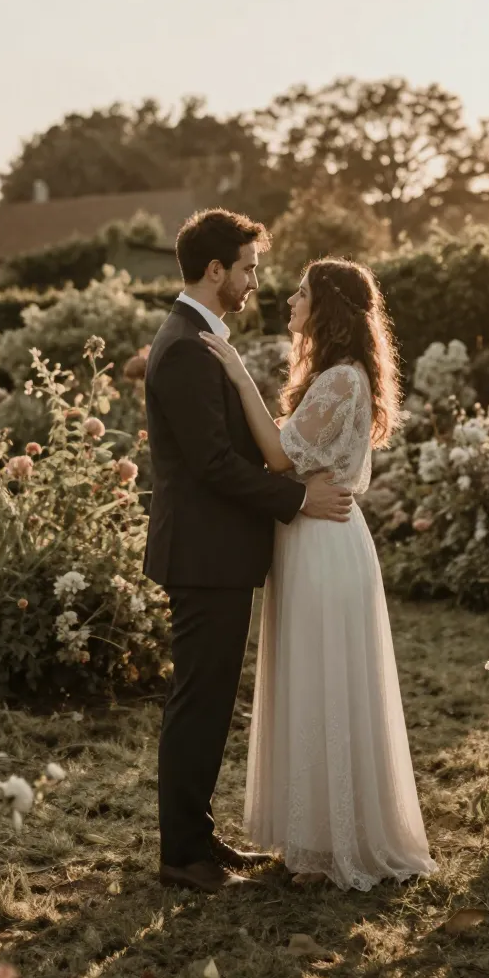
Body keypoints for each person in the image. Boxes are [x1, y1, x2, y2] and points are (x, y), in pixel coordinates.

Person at [200, 257, 437, 891]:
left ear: (326, 305)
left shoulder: (338, 381)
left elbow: (278, 454)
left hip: (323, 543)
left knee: (325, 680)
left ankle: (336, 847)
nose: (288, 301)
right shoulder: (340, 378)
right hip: (315, 537)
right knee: (313, 678)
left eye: (301, 293)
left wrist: (237, 372)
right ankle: (318, 838)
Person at [144, 209, 355, 895]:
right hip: (203, 555)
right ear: (215, 271)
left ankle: (198, 835)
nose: (255, 281)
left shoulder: (201, 340)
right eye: (248, 268)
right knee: (198, 701)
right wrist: (295, 501)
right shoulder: (184, 345)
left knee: (207, 702)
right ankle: (181, 852)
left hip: (218, 554)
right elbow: (210, 464)